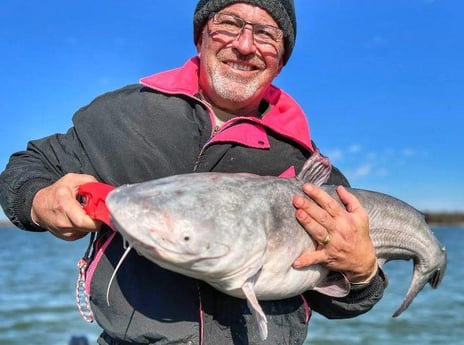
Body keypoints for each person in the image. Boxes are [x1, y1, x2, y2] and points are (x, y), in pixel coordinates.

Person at [0, 1, 386, 344]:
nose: (245, 45)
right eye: (230, 24)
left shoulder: (307, 160)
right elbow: (25, 167)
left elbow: (341, 302)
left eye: (267, 34)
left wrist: (365, 274)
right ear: (201, 34)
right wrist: (40, 199)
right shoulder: (122, 115)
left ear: (281, 58)